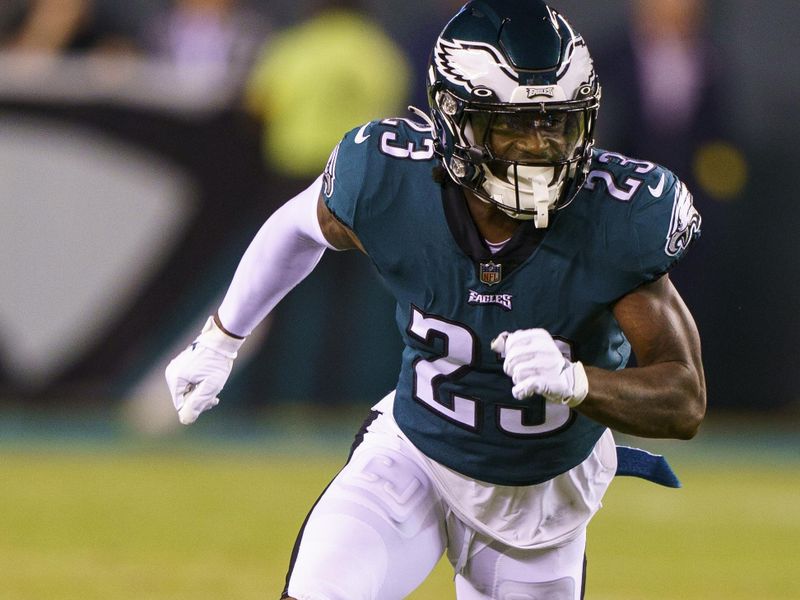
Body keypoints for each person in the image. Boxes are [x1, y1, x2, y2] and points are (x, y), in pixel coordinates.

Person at [165, 1, 706, 598]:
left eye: (557, 122)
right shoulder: (393, 179)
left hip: (540, 501)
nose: (539, 145)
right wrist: (221, 338)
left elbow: (683, 398)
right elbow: (296, 225)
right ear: (455, 121)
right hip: (414, 456)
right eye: (512, 124)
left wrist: (579, 382)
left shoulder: (614, 221)